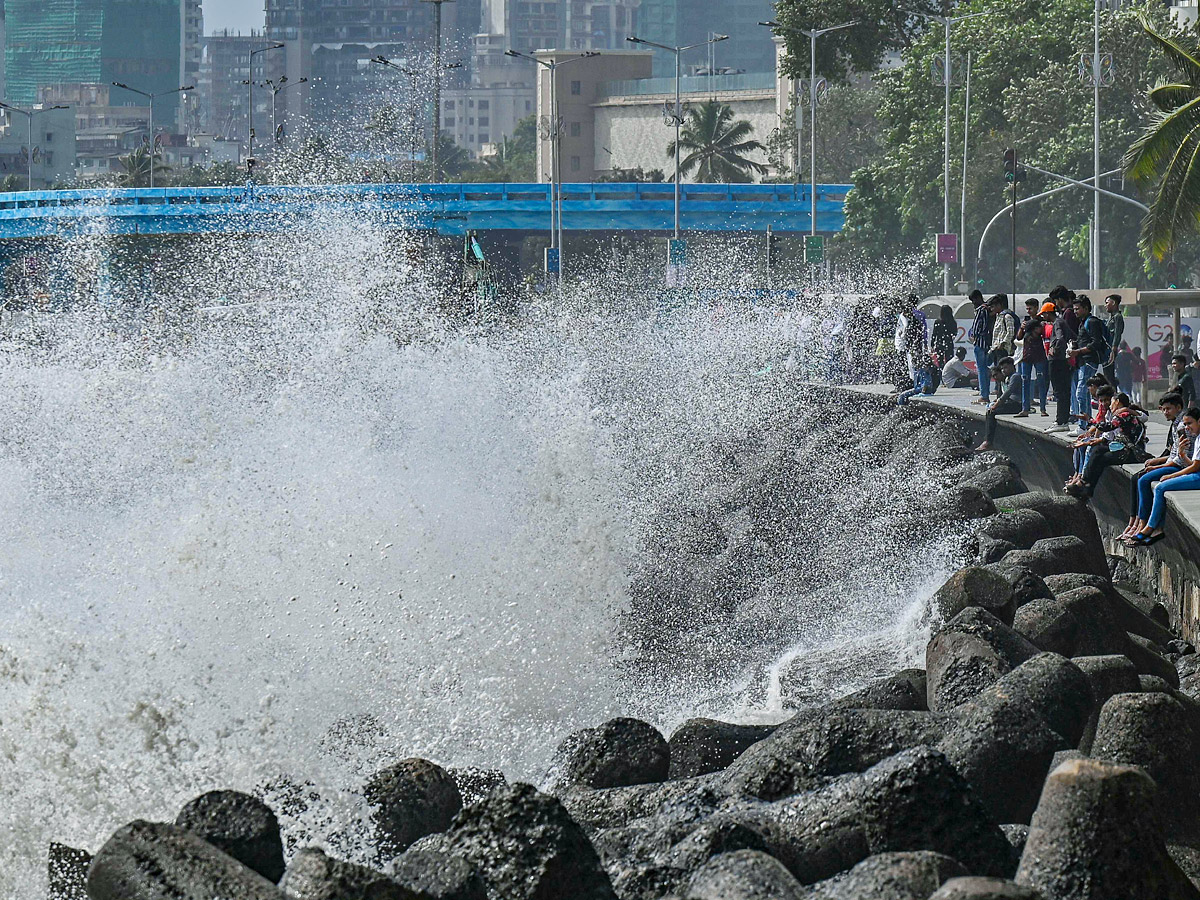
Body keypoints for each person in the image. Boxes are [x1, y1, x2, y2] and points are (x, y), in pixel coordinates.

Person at [1125, 406, 1200, 546]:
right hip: (1196, 474)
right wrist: (1182, 455)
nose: (1187, 428)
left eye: (1190, 423)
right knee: (1153, 484)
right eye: (1186, 424)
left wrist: (1173, 476)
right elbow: (1195, 464)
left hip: (1197, 476)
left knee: (1160, 488)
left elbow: (1195, 467)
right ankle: (1151, 527)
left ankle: (1151, 527)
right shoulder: (1197, 437)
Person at [1065, 391, 1148, 498]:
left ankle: (1085, 484)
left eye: (1112, 402)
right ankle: (1087, 485)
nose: (1109, 405)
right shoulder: (1119, 413)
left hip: (1132, 452)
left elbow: (1108, 427)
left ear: (1117, 402)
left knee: (1102, 459)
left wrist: (1090, 420)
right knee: (1097, 450)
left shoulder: (1124, 414)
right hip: (1121, 447)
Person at [1068, 294, 1107, 434]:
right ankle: (1087, 423)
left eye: (1078, 309)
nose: (1075, 311)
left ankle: (1083, 425)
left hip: (1089, 361)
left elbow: (1096, 342)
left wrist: (1079, 351)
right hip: (1082, 361)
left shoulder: (1092, 322)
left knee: (1081, 393)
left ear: (1086, 308)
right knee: (1083, 393)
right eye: (1074, 309)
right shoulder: (1083, 322)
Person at [1045, 292, 1077, 433]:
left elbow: (1060, 338)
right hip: (1063, 361)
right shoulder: (1061, 321)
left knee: (1059, 392)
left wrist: (1054, 349)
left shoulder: (1057, 323)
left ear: (1047, 314)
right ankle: (1062, 420)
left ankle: (1060, 420)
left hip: (1057, 361)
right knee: (1064, 391)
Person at [976, 356, 1023, 451]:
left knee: (992, 412)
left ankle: (988, 442)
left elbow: (1008, 392)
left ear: (1012, 366)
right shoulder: (1007, 378)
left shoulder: (1015, 376)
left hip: (1017, 405)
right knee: (990, 411)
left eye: (1006, 367)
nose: (1004, 370)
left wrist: (996, 405)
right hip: (1010, 403)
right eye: (1002, 368)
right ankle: (987, 440)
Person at [1016, 301, 1050, 417]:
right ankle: (1025, 408)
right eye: (1027, 309)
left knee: (1041, 381)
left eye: (1030, 308)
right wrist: (1022, 327)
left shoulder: (1041, 321)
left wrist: (1033, 326)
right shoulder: (1027, 321)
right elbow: (1019, 337)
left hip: (1039, 355)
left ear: (1036, 308)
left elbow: (1040, 333)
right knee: (1025, 381)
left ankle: (1043, 408)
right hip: (1027, 355)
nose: (1028, 311)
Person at [968, 289, 993, 405]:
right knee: (985, 370)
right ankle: (985, 393)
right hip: (987, 343)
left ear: (977, 298)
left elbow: (978, 327)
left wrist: (974, 336)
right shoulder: (988, 309)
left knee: (981, 370)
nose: (973, 303)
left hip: (980, 343)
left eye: (973, 301)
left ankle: (984, 395)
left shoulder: (981, 310)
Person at [989, 294, 1019, 365]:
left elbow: (1010, 332)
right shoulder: (998, 316)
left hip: (1004, 349)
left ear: (999, 305)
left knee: (1003, 369)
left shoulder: (1007, 316)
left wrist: (1003, 343)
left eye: (993, 307)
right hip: (996, 348)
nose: (992, 309)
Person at [1102, 294, 1125, 389]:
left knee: (1109, 375)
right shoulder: (1111, 318)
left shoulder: (1118, 317)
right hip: (1106, 349)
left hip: (1110, 349)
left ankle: (1112, 394)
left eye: (1107, 303)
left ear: (1114, 303)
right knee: (1107, 374)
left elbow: (1117, 333)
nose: (1105, 305)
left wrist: (1113, 348)